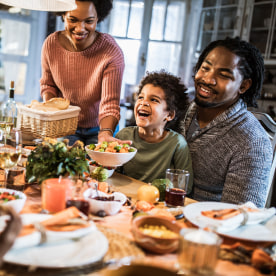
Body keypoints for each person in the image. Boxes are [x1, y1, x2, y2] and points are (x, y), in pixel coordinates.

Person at [180, 37, 273, 208]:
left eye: (223, 75)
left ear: (243, 86)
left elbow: (240, 215)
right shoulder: (177, 111)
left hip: (206, 228)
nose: (208, 79)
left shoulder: (252, 141)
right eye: (205, 68)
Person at [40, 0, 130, 146]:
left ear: (98, 18)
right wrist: (53, 115)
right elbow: (48, 85)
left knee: (97, 167)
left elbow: (110, 103)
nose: (80, 29)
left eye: (89, 21)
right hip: (66, 125)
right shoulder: (51, 45)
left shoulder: (111, 52)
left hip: (100, 128)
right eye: (72, 20)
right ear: (63, 15)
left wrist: (105, 132)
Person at [116, 70, 193, 193]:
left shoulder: (177, 144)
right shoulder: (124, 136)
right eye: (140, 97)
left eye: (154, 100)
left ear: (169, 115)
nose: (143, 102)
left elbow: (184, 187)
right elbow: (113, 175)